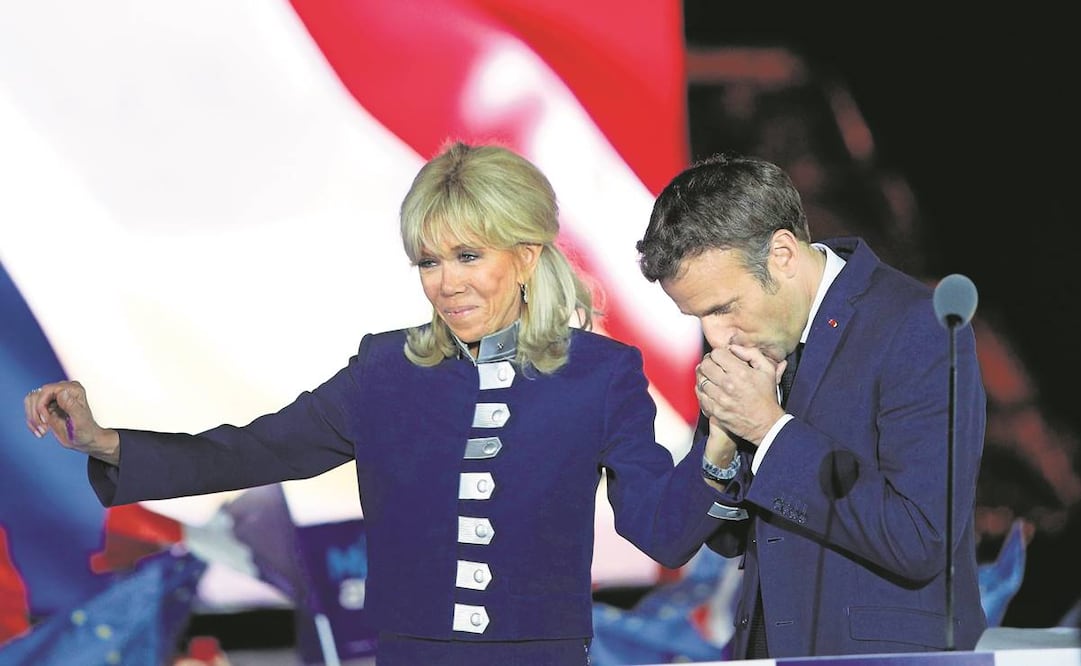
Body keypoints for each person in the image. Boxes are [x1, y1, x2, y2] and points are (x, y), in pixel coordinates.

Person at [24, 141, 730, 666]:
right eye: (427, 261)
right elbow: (251, 449)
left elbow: (661, 532)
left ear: (526, 255)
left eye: (466, 255)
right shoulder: (385, 370)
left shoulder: (601, 375)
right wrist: (104, 441)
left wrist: (721, 441)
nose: (445, 284)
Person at [635, 152, 988, 658]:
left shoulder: (919, 326)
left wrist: (769, 430)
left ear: (782, 254)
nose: (714, 334)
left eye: (723, 307)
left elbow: (920, 538)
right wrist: (721, 452)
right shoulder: (745, 343)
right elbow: (718, 541)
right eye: (698, 317)